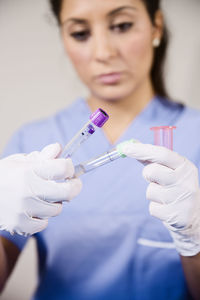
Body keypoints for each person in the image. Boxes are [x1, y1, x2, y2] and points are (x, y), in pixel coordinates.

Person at [0, 0, 200, 299]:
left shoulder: (194, 134)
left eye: (122, 26)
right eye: (80, 33)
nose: (104, 53)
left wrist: (194, 241)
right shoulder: (31, 141)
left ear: (156, 27)